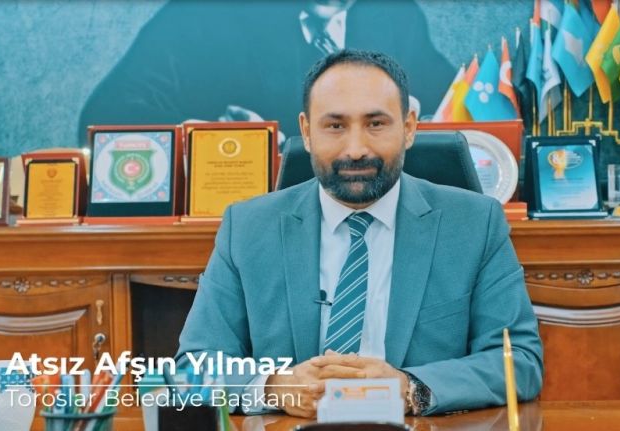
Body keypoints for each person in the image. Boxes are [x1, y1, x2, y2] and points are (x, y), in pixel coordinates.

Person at [177, 49, 543, 417]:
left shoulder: (475, 224)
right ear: (306, 132)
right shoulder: (247, 228)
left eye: (376, 124)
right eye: (335, 126)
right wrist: (275, 388)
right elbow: (193, 367)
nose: (355, 150)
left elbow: (519, 361)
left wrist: (411, 389)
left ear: (409, 127)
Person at [77, 0, 454, 147]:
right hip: (235, 236)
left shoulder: (394, 15)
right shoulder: (200, 15)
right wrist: (205, 139)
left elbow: (457, 107)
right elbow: (105, 118)